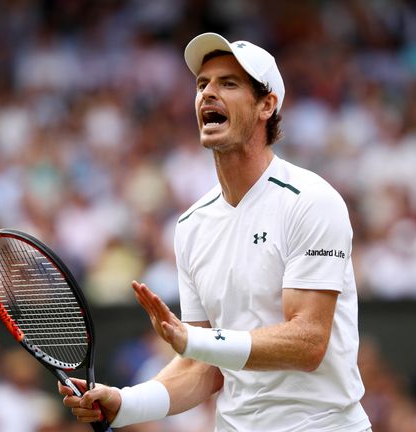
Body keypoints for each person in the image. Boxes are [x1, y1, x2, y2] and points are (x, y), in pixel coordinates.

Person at [60, 32, 372, 432]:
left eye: (228, 83)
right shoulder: (191, 226)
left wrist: (194, 341)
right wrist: (125, 402)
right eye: (202, 84)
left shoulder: (311, 200)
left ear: (266, 105)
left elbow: (308, 342)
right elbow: (204, 368)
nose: (208, 93)